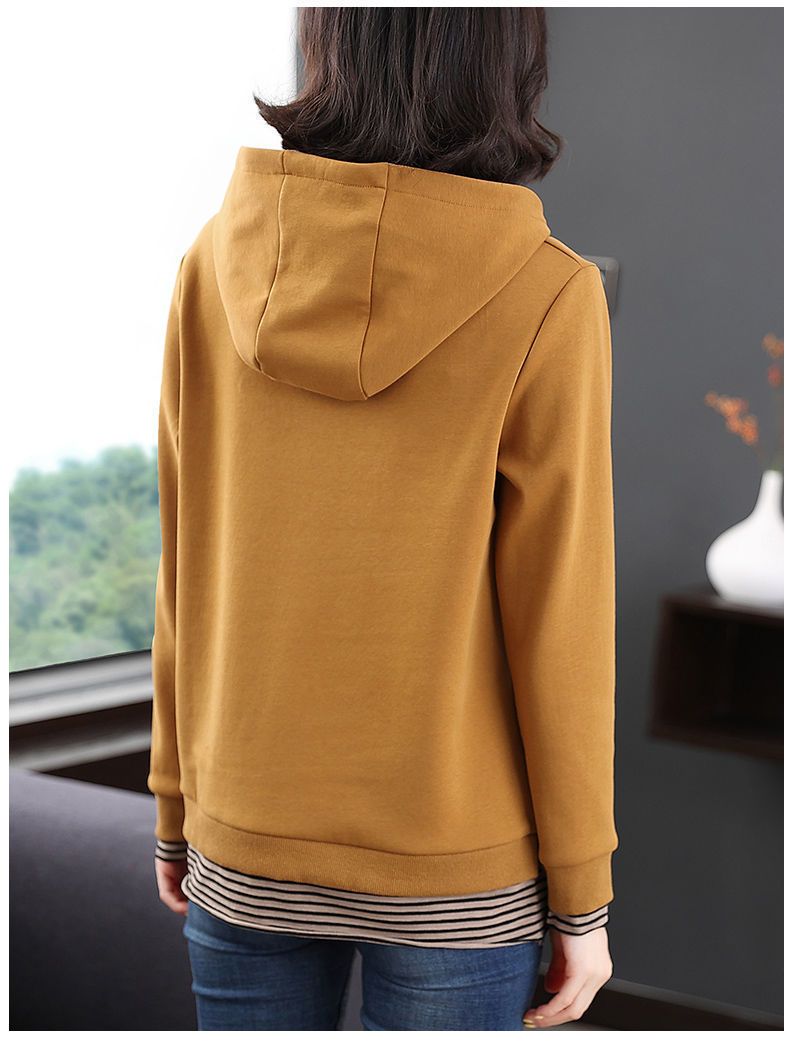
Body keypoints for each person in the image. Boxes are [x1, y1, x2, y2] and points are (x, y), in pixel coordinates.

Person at [149, 7, 617, 1032]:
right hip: (456, 867)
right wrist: (582, 896)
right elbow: (562, 625)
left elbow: (184, 562)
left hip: (244, 835)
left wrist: (175, 804)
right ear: (503, 58)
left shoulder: (210, 265)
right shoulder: (548, 293)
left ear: (331, 43)